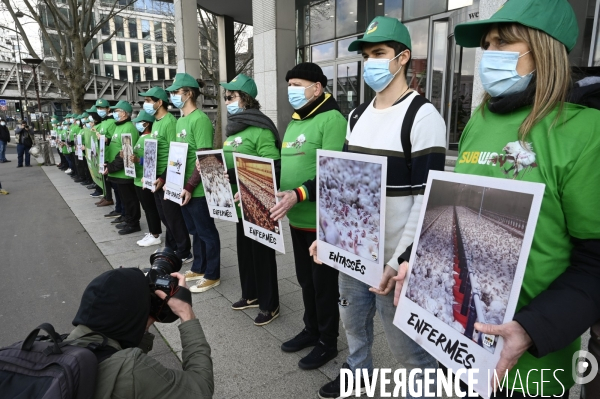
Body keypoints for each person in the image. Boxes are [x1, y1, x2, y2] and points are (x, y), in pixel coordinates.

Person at [388, 1, 599, 397]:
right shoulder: (480, 121)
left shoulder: (586, 131)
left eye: (504, 42)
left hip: (529, 362)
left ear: (544, 47)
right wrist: (411, 262)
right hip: (458, 344)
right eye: (486, 44)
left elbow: (596, 260)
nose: (489, 54)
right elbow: (448, 207)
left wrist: (534, 328)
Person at [304, 17, 446, 398]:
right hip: (355, 252)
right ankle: (358, 373)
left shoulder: (423, 117)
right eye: (367, 55)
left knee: (408, 349)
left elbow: (426, 201)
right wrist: (328, 235)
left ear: (403, 59)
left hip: (395, 264)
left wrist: (400, 260)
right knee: (353, 323)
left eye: (379, 54)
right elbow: (346, 186)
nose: (372, 62)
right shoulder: (357, 115)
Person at [268, 62, 347, 370]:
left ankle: (328, 342)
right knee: (305, 280)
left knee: (324, 285)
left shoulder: (332, 119)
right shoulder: (296, 121)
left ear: (318, 87)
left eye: (297, 84)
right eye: (289, 85)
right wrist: (256, 189)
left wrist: (299, 194)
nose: (292, 91)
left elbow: (334, 172)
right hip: (296, 218)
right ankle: (311, 329)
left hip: (322, 222)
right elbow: (285, 168)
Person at [65, 267, 214, 398]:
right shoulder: (130, 371)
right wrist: (186, 312)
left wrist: (141, 324)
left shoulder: (63, 346)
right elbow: (201, 389)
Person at [219, 73, 281, 325]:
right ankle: (251, 294)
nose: (226, 101)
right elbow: (229, 160)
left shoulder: (261, 130)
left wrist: (237, 175)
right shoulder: (234, 128)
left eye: (230, 96)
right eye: (225, 97)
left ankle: (270, 304)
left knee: (262, 254)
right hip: (237, 200)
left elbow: (272, 168)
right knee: (245, 251)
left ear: (245, 99)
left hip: (257, 200)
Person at [162, 73, 220, 293]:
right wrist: (171, 181)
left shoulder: (200, 120)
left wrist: (188, 187)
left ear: (188, 93)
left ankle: (213, 274)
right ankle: (199, 266)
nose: (173, 96)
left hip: (197, 190)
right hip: (182, 189)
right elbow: (177, 157)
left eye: (176, 92)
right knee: (195, 231)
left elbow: (204, 159)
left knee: (207, 232)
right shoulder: (180, 121)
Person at [141, 87, 192, 263]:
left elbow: (174, 152)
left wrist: (164, 177)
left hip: (168, 177)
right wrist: (148, 174)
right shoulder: (156, 122)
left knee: (173, 216)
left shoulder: (170, 122)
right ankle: (172, 246)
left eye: (148, 100)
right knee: (163, 215)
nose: (145, 104)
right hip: (155, 178)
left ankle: (184, 250)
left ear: (159, 102)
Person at [104, 100, 141, 235]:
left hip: (124, 173)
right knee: (124, 199)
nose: (114, 113)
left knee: (130, 199)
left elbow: (126, 153)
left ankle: (133, 223)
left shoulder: (129, 128)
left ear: (124, 113)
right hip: (117, 172)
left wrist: (112, 167)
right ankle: (127, 218)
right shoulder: (118, 126)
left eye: (117, 111)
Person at [131, 110, 163, 247]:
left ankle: (155, 234)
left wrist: (138, 160)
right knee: (146, 207)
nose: (137, 124)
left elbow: (152, 160)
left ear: (146, 123)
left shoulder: (150, 138)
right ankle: (152, 231)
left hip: (146, 179)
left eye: (139, 122)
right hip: (138, 178)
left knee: (150, 208)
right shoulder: (141, 137)